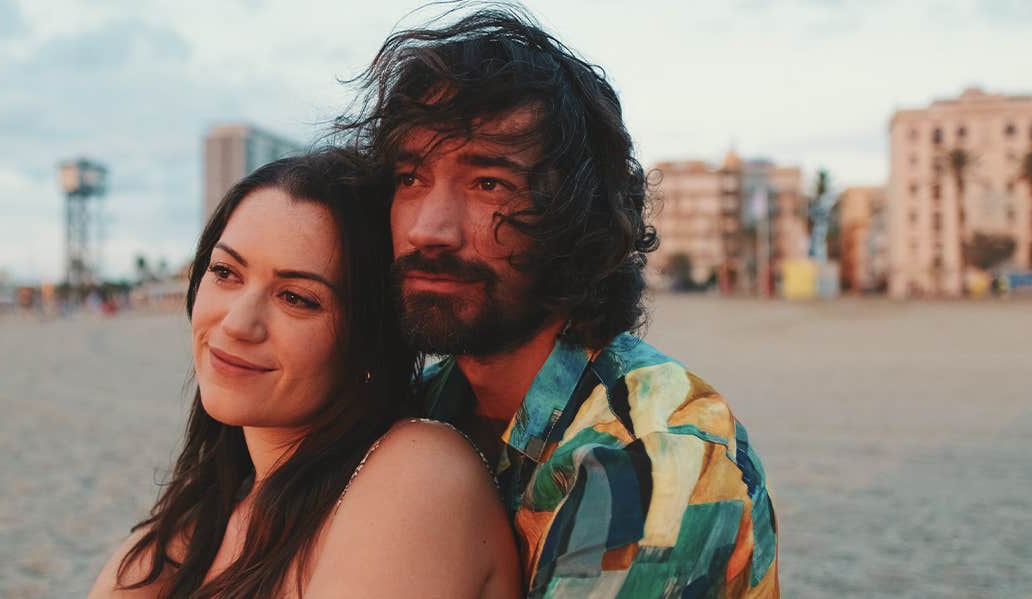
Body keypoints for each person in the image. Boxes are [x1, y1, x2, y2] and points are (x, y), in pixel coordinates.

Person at [338, 6, 780, 597]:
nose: (428, 230)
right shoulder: (424, 405)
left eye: (488, 182)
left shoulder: (648, 461)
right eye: (410, 178)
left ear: (579, 219)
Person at [88, 150, 520, 598]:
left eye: (296, 298)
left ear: (369, 340)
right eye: (225, 272)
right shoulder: (212, 504)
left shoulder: (418, 471)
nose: (237, 322)